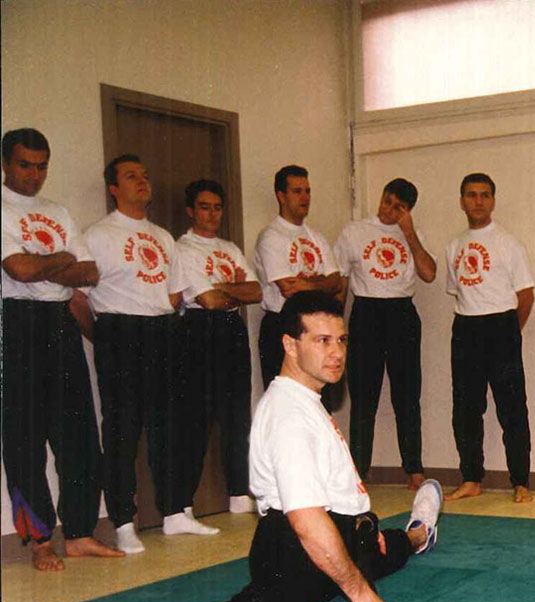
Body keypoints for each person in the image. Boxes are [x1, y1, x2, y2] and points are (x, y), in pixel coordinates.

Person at [4, 292, 445, 602]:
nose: (336, 353)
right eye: (322, 340)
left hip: (343, 535)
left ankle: (420, 531)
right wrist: (359, 594)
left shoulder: (307, 401)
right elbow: (308, 522)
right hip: (299, 550)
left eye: (341, 340)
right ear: (290, 344)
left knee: (384, 552)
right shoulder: (289, 417)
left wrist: (364, 529)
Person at [0, 128, 124, 570]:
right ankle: (39, 541)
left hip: (60, 321)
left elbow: (89, 272)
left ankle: (79, 533)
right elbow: (18, 269)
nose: (34, 175)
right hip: (16, 322)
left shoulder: (58, 212)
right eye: (24, 165)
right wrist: (60, 262)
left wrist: (42, 267)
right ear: (5, 163)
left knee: (80, 436)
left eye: (41, 166)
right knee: (25, 442)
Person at [83, 154, 219, 551]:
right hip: (119, 331)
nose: (142, 181)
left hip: (162, 330)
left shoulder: (162, 237)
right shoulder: (98, 235)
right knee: (122, 431)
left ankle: (174, 513)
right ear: (113, 188)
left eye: (144, 175)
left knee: (169, 427)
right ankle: (124, 521)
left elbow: (174, 294)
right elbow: (78, 298)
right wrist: (105, 335)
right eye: (131, 176)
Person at [335, 178, 436, 489]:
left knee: (407, 396)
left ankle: (414, 469)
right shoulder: (354, 231)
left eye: (398, 207)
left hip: (402, 313)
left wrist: (409, 233)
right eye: (387, 201)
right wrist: (335, 327)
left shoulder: (413, 234)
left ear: (408, 211)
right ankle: (358, 471)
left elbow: (429, 274)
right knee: (364, 397)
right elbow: (340, 282)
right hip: (366, 312)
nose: (389, 210)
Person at [170, 179, 262, 517]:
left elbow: (256, 292)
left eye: (217, 208)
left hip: (231, 330)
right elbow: (207, 300)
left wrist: (225, 289)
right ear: (191, 211)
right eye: (204, 207)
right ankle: (182, 505)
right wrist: (233, 288)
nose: (212, 214)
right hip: (198, 331)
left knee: (237, 416)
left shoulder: (230, 248)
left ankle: (239, 494)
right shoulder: (183, 249)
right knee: (195, 420)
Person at [442, 173, 534, 504]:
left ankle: (520, 482)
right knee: (465, 409)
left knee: (512, 408)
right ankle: (471, 478)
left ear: (493, 201)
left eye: (484, 195)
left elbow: (526, 295)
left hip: (502, 327)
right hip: (466, 327)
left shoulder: (509, 244)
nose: (478, 201)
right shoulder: (453, 246)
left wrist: (509, 333)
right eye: (471, 195)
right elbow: (458, 291)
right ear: (462, 201)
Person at [254, 164, 342, 391]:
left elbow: (336, 282)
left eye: (307, 191)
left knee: (319, 397)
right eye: (297, 191)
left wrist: (305, 284)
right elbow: (289, 289)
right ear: (281, 196)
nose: (305, 197)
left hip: (316, 326)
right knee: (285, 395)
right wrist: (320, 284)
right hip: (282, 324)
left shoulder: (317, 237)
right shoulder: (271, 237)